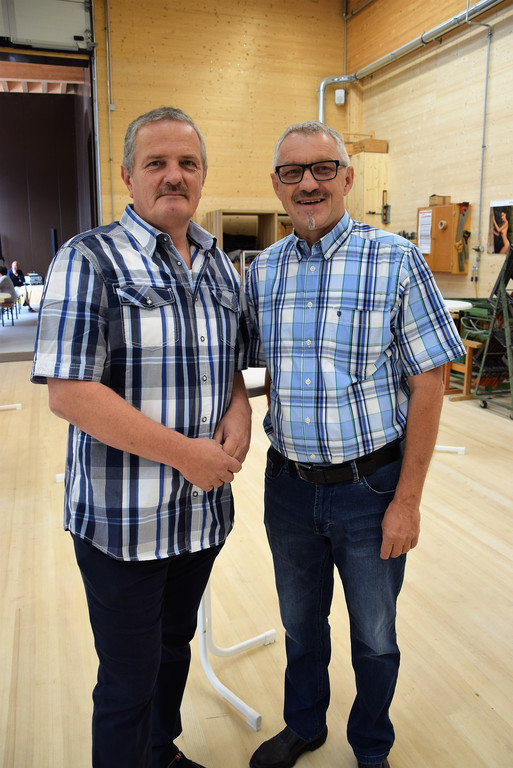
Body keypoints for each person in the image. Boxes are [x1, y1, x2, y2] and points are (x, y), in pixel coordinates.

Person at [31, 106, 252, 768]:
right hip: (123, 522)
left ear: (203, 175)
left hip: (198, 517)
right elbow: (69, 391)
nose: (173, 175)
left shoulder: (219, 266)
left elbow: (229, 365)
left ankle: (161, 752)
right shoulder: (88, 259)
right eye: (156, 162)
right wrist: (187, 455)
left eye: (187, 163)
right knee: (127, 681)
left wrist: (240, 407)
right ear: (128, 176)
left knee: (173, 648)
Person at [244, 121, 465, 768]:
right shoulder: (263, 272)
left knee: (374, 635)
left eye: (322, 168)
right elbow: (254, 370)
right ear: (277, 186)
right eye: (292, 172)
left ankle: (371, 746)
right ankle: (304, 725)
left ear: (346, 177)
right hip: (288, 487)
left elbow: (429, 381)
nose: (308, 183)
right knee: (299, 626)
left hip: (371, 489)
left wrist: (408, 501)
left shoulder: (394, 260)